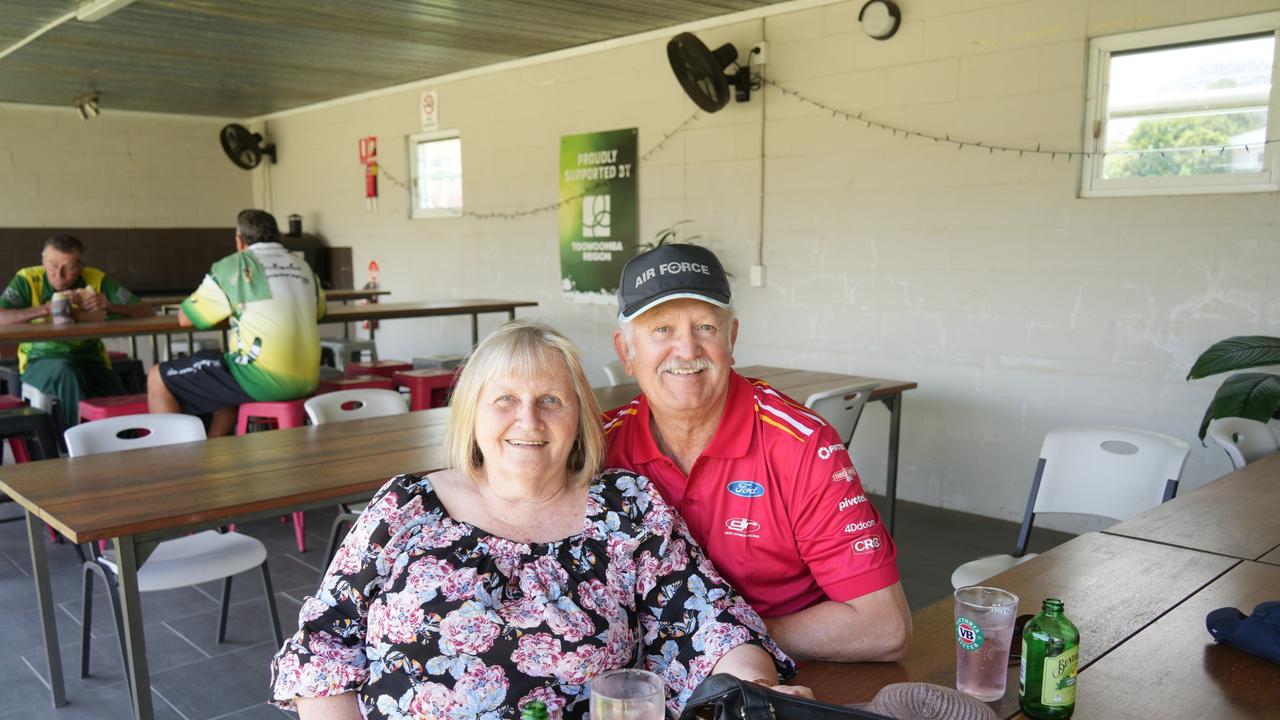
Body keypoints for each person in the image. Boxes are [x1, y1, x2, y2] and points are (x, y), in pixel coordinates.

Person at [270, 321, 807, 719]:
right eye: (505, 399)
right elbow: (322, 645)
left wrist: (756, 692)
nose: (528, 419)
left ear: (580, 419)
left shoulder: (626, 507)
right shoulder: (405, 507)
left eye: (552, 399)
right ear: (471, 413)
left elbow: (709, 622)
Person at [603, 243, 912, 663]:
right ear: (626, 351)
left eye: (706, 328)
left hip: (782, 677)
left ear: (731, 339)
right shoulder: (598, 447)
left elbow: (884, 627)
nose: (688, 349)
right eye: (662, 329)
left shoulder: (803, 446)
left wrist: (718, 639)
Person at [147, 209, 325, 436]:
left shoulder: (236, 266)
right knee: (220, 371)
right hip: (310, 378)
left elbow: (185, 319)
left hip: (261, 379)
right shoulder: (303, 266)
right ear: (277, 237)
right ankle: (213, 453)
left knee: (158, 377)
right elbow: (319, 312)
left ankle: (175, 463)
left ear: (239, 241)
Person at [0, 234, 153, 427]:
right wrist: (45, 308)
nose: (58, 274)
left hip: (90, 358)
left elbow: (147, 311)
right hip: (39, 359)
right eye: (52, 265)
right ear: (43, 260)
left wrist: (111, 307)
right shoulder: (28, 279)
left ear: (81, 267)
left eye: (68, 268)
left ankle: (129, 443)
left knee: (119, 398)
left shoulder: (95, 280)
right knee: (68, 373)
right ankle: (75, 442)